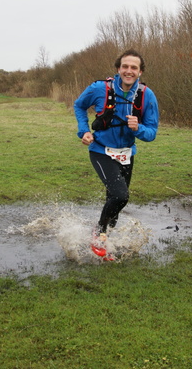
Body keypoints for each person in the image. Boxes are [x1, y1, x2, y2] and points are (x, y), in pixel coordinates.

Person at [73, 49, 159, 251]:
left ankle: (105, 241)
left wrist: (138, 128)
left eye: (134, 67)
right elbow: (79, 105)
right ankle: (98, 234)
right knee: (120, 195)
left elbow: (152, 132)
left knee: (115, 201)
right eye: (125, 66)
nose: (129, 71)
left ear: (140, 72)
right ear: (118, 69)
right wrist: (83, 131)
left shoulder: (147, 95)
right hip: (101, 150)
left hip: (126, 154)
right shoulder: (99, 88)